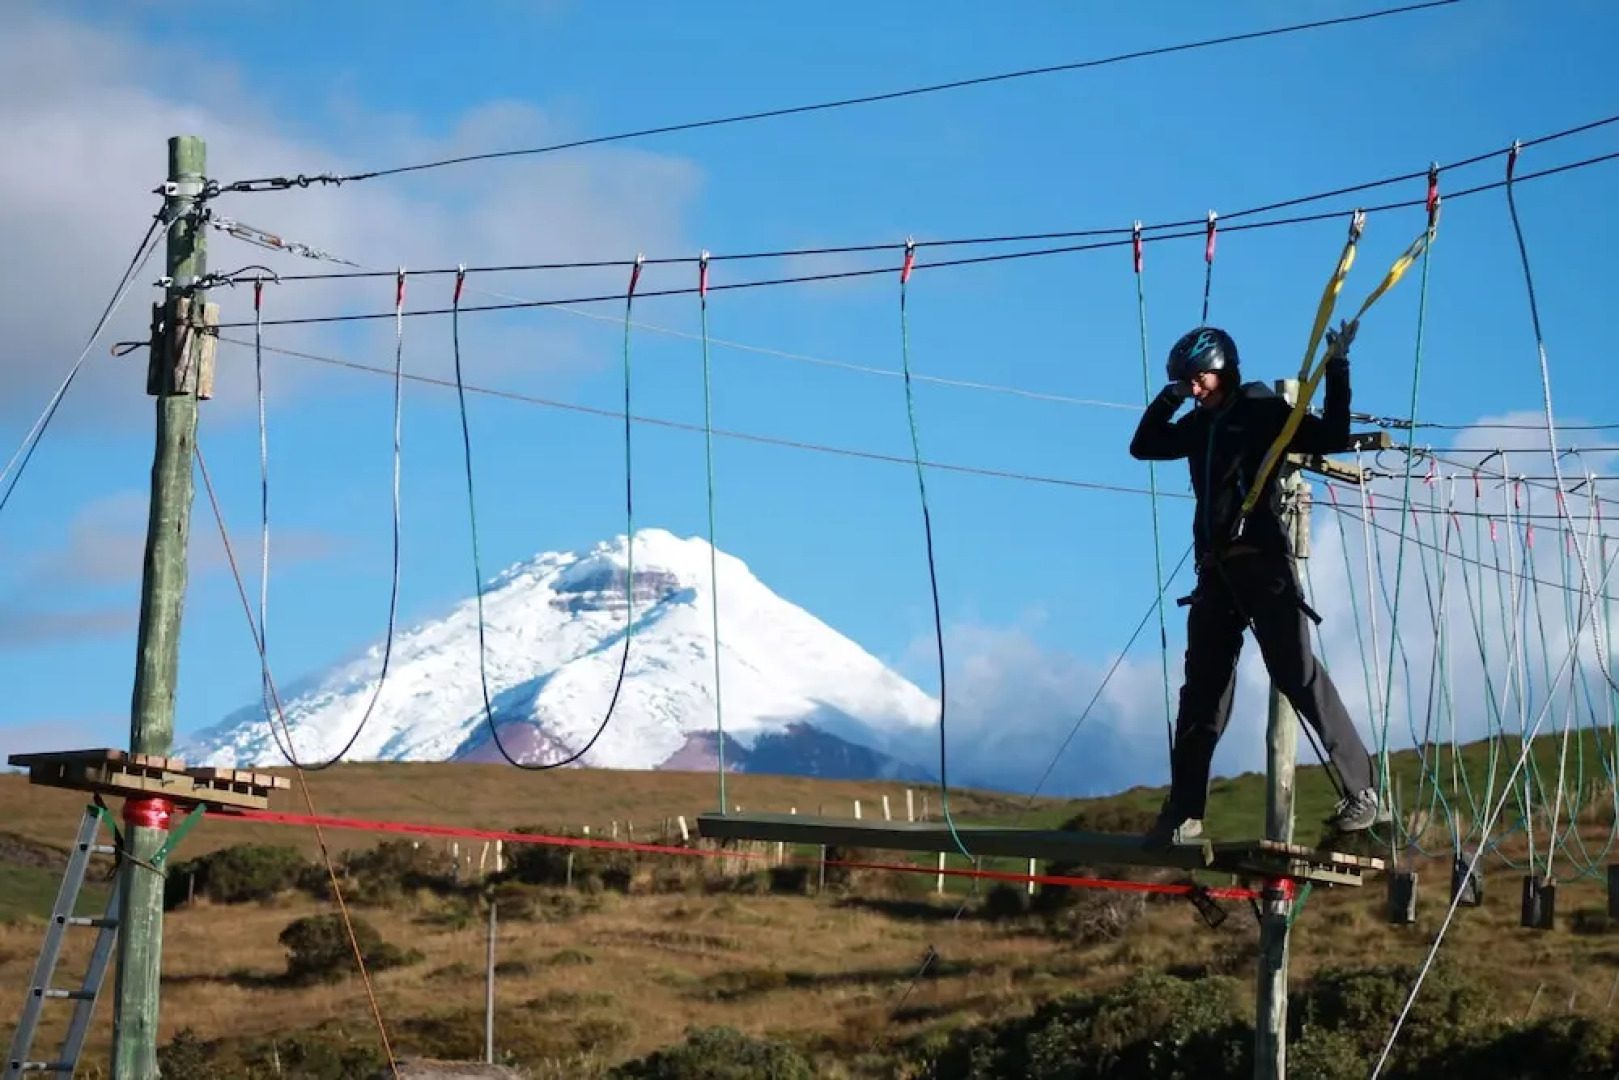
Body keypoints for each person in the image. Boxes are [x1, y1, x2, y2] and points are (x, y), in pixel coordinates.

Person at [1129, 323, 1384, 848]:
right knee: (1201, 695)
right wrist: (1167, 397)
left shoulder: (1263, 413)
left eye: (1196, 379)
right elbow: (1144, 446)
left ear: (1222, 370)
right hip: (1216, 575)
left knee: (1296, 672)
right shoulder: (1198, 427)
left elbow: (1331, 435)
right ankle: (1183, 814)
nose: (1193, 389)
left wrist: (1337, 370)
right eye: (1185, 382)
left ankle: (1363, 790)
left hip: (1264, 564)